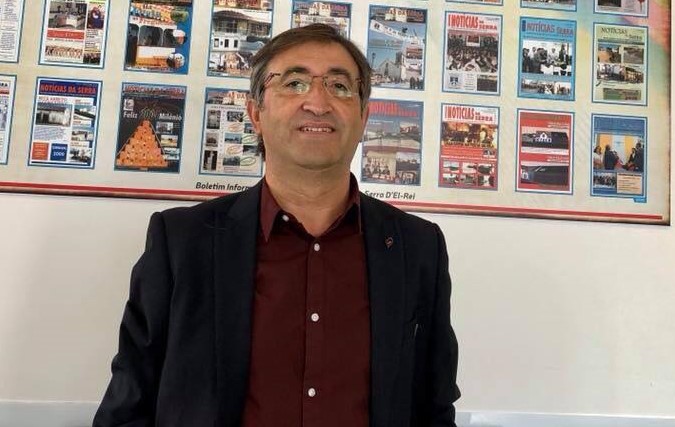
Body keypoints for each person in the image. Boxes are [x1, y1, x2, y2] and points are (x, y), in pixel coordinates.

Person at [93, 24, 460, 427]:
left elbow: (434, 406)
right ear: (256, 113)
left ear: (364, 116)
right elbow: (129, 405)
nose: (317, 102)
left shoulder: (416, 247)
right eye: (294, 83)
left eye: (339, 86)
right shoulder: (182, 242)